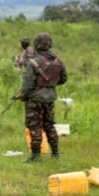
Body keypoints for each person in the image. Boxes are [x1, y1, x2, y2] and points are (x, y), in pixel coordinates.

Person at [18, 32, 67, 163]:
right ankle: (55, 153)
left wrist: (22, 95)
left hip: (35, 99)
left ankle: (35, 155)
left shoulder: (33, 62)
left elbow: (28, 84)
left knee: (34, 126)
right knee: (49, 125)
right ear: (50, 44)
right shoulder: (58, 61)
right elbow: (63, 79)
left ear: (37, 44)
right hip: (50, 98)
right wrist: (50, 85)